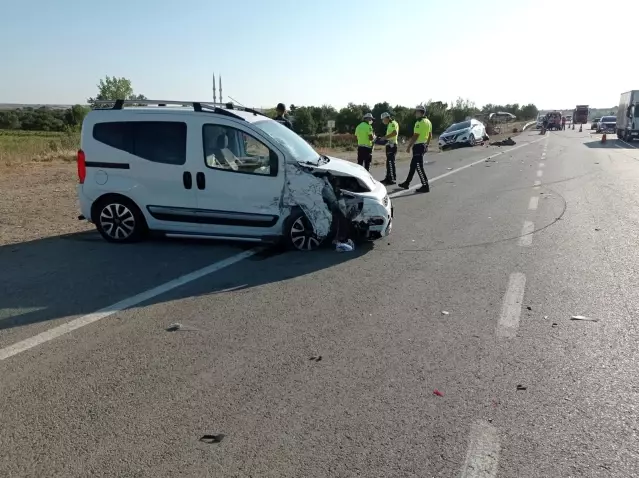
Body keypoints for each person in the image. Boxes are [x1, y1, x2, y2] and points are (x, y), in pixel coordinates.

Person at [398, 105, 431, 193]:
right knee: (413, 165)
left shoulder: (419, 122)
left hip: (418, 146)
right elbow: (430, 135)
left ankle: (425, 185)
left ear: (420, 112)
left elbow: (416, 135)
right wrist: (427, 145)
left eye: (416, 112)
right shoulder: (428, 121)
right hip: (423, 145)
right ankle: (407, 183)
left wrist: (409, 146)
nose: (415, 114)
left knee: (418, 166)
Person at [379, 112, 399, 185]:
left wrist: (384, 137)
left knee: (391, 162)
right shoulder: (389, 125)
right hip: (388, 145)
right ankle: (388, 178)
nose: (383, 121)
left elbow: (394, 133)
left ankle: (392, 179)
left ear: (387, 118)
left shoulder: (393, 123)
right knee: (388, 163)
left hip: (392, 145)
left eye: (383, 119)